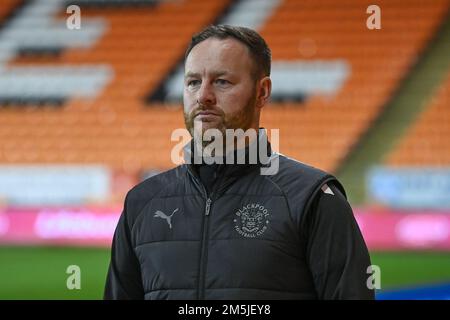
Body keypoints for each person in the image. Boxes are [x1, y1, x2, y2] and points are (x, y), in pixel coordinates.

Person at [104, 25, 375, 300]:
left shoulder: (313, 198)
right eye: (193, 82)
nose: (203, 96)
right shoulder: (141, 203)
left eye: (222, 81)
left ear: (262, 92)